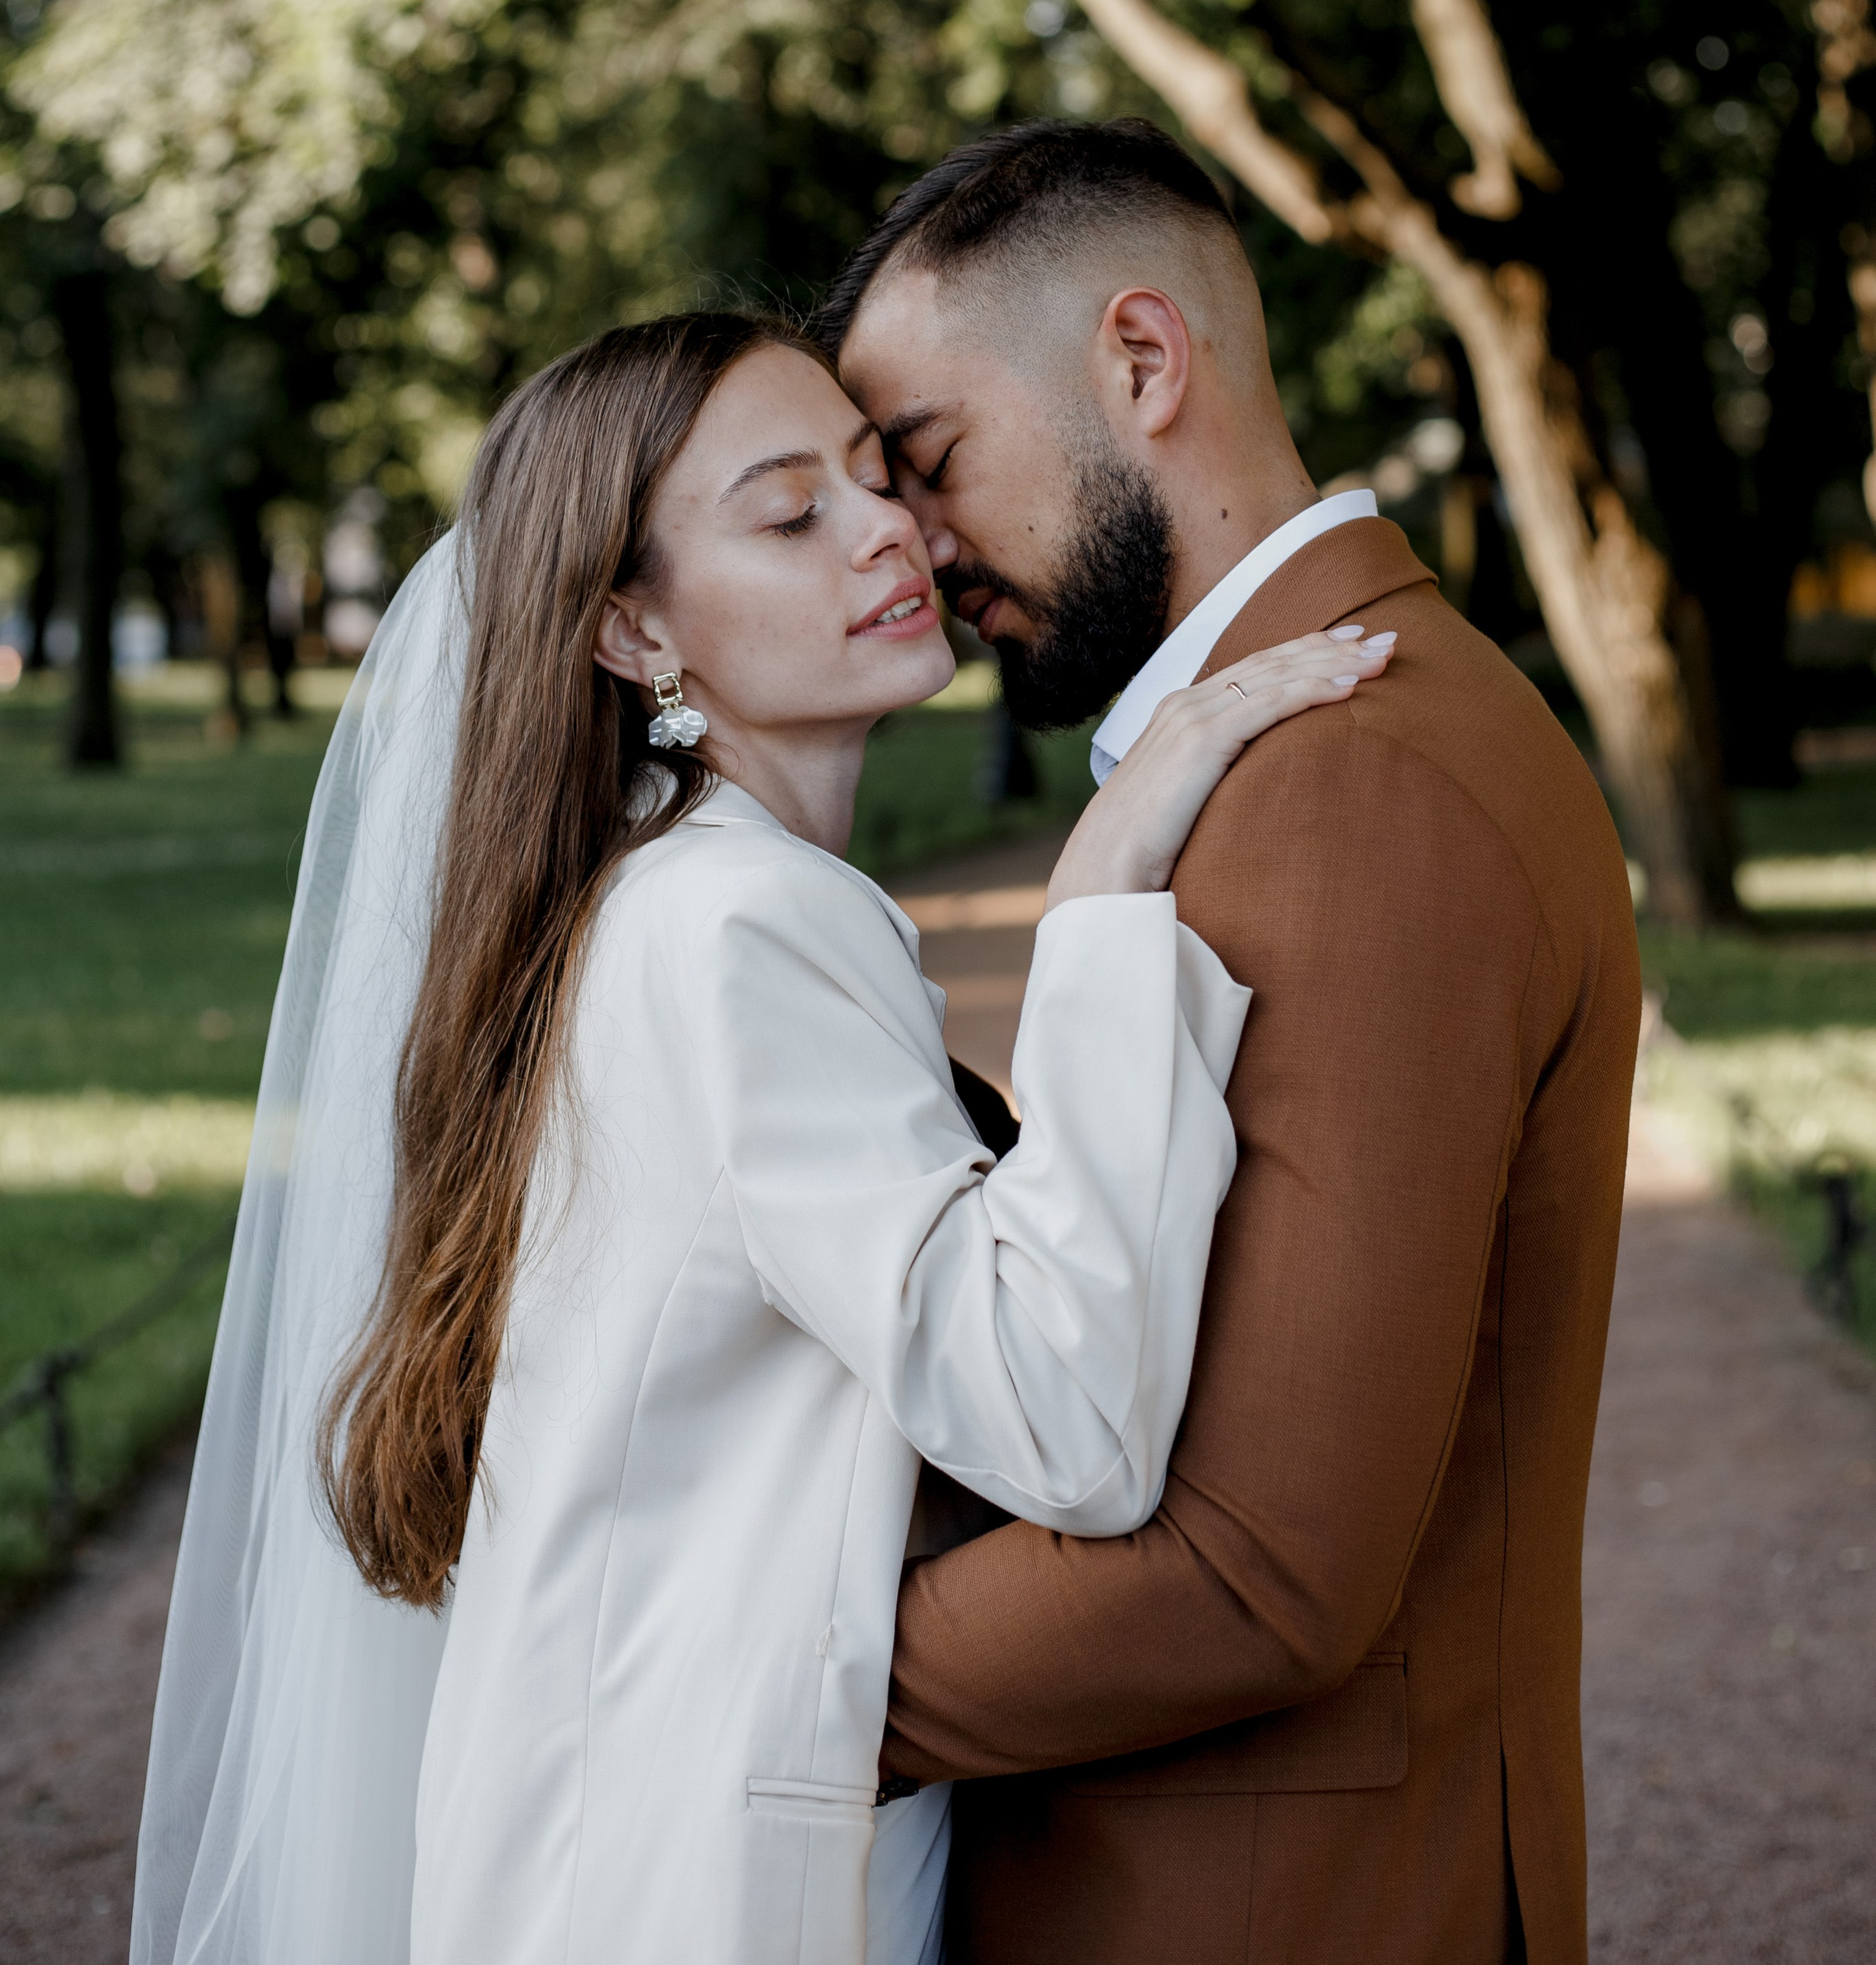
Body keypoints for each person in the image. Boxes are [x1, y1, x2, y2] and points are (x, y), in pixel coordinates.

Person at [131, 308, 1395, 1965]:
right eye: (790, 514)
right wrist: (1099, 904)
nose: (887, 531)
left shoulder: (656, 906)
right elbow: (1063, 1423)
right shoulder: (738, 922)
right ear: (632, 634)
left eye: (879, 478)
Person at [824, 119, 1643, 1965]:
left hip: (1265, 1906)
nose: (913, 546)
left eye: (931, 459)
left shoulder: (1349, 776)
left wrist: (763, 1692)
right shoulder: (1288, 742)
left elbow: (1252, 1566)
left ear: (1139, 361)